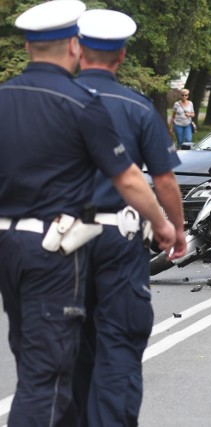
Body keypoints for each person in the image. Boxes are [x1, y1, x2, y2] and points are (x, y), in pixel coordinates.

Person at [0, 1, 179, 426]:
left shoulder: (10, 98)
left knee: (47, 354)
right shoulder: (89, 104)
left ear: (27, 46)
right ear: (75, 47)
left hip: (21, 242)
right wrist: (165, 224)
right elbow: (139, 179)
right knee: (80, 359)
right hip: (74, 242)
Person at [67, 9, 188, 426]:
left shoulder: (54, 103)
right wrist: (175, 227)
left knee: (69, 348)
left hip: (58, 243)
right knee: (117, 344)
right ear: (120, 56)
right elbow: (165, 180)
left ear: (77, 51)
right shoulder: (136, 108)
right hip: (117, 240)